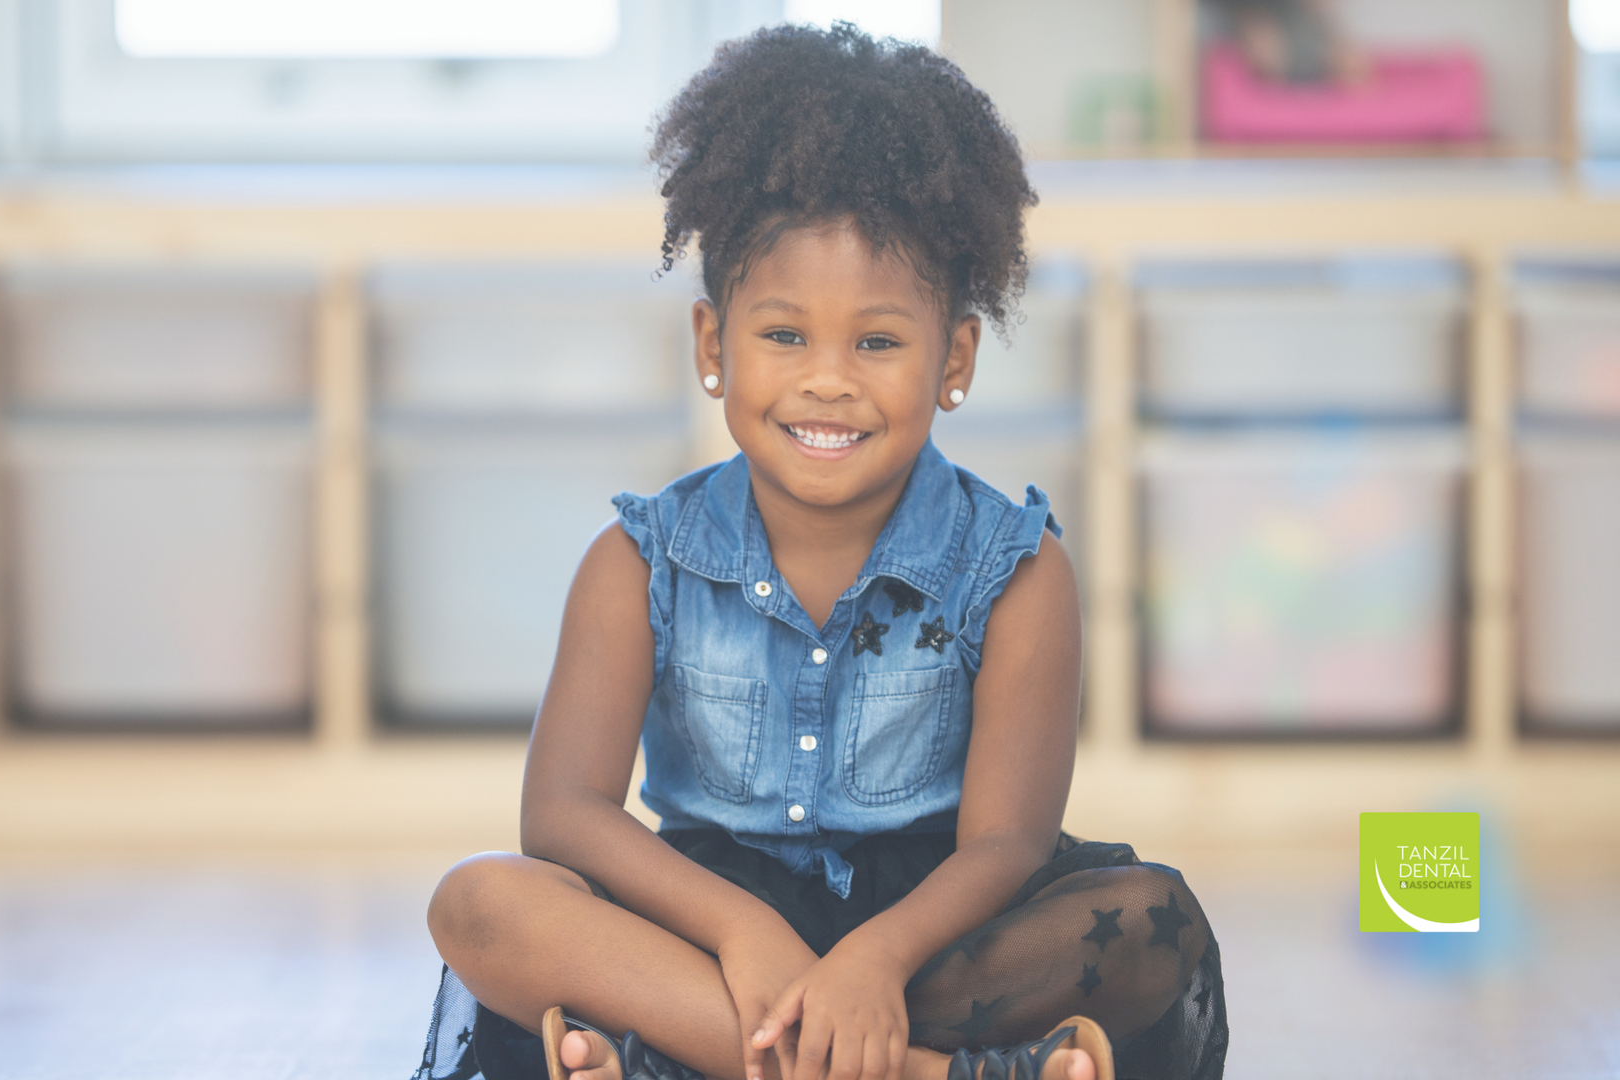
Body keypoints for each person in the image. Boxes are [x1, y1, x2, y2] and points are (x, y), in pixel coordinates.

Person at [418, 23, 1226, 1080]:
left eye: (878, 341)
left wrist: (874, 962)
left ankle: (686, 1055)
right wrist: (745, 934)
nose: (829, 380)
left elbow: (1006, 845)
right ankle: (925, 1073)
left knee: (1147, 916)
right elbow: (562, 812)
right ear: (715, 346)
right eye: (785, 334)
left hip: (933, 941)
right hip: (704, 932)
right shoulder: (637, 564)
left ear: (955, 359)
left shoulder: (1019, 572)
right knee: (481, 903)